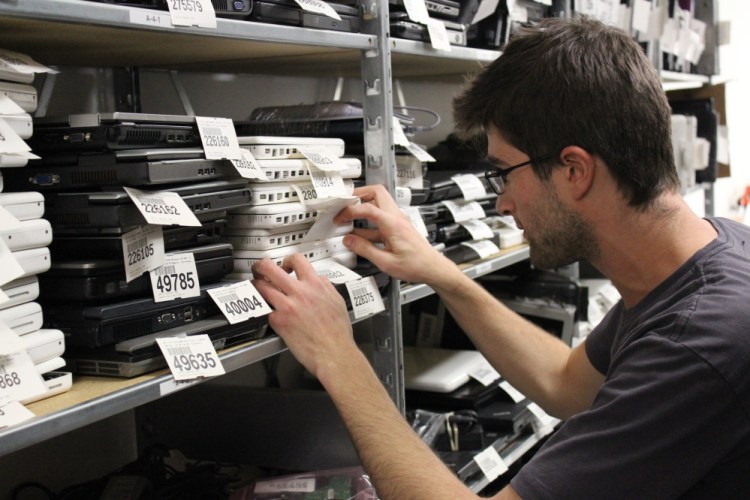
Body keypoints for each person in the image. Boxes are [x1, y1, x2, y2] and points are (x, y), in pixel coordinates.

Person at [252, 16, 750, 499]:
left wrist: (337, 357)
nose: (502, 202)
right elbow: (566, 383)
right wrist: (440, 271)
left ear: (575, 170)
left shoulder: (700, 338)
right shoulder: (706, 256)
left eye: (505, 172)